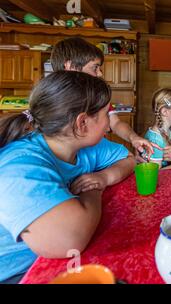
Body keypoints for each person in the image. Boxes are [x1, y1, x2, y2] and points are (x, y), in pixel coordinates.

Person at [0, 71, 135, 283]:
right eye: (105, 114)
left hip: (55, 262)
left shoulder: (83, 145)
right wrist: (92, 188)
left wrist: (104, 176)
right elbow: (69, 240)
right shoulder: (19, 165)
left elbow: (128, 158)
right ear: (82, 123)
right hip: (16, 274)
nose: (109, 125)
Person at [51, 37, 157, 160]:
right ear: (69, 66)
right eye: (95, 67)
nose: (100, 73)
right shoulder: (52, 101)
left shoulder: (96, 96)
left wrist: (134, 137)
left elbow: (115, 123)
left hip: (95, 156)